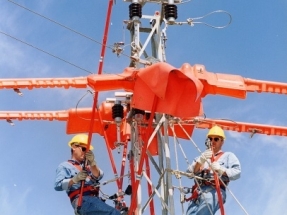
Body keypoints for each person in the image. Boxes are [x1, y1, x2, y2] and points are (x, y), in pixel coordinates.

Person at [54, 134, 121, 215]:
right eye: (83, 149)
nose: (85, 152)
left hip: (93, 200)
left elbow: (98, 175)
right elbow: (58, 185)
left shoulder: (88, 166)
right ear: (74, 147)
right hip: (83, 200)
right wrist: (75, 179)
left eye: (88, 151)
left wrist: (92, 162)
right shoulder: (65, 165)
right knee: (113, 213)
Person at [186, 125, 241, 215]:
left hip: (214, 191)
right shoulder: (200, 158)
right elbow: (188, 173)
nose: (212, 141)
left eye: (216, 139)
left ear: (222, 141)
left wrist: (221, 169)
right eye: (210, 139)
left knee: (205, 208)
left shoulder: (227, 156)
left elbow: (237, 172)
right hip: (197, 192)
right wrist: (200, 162)